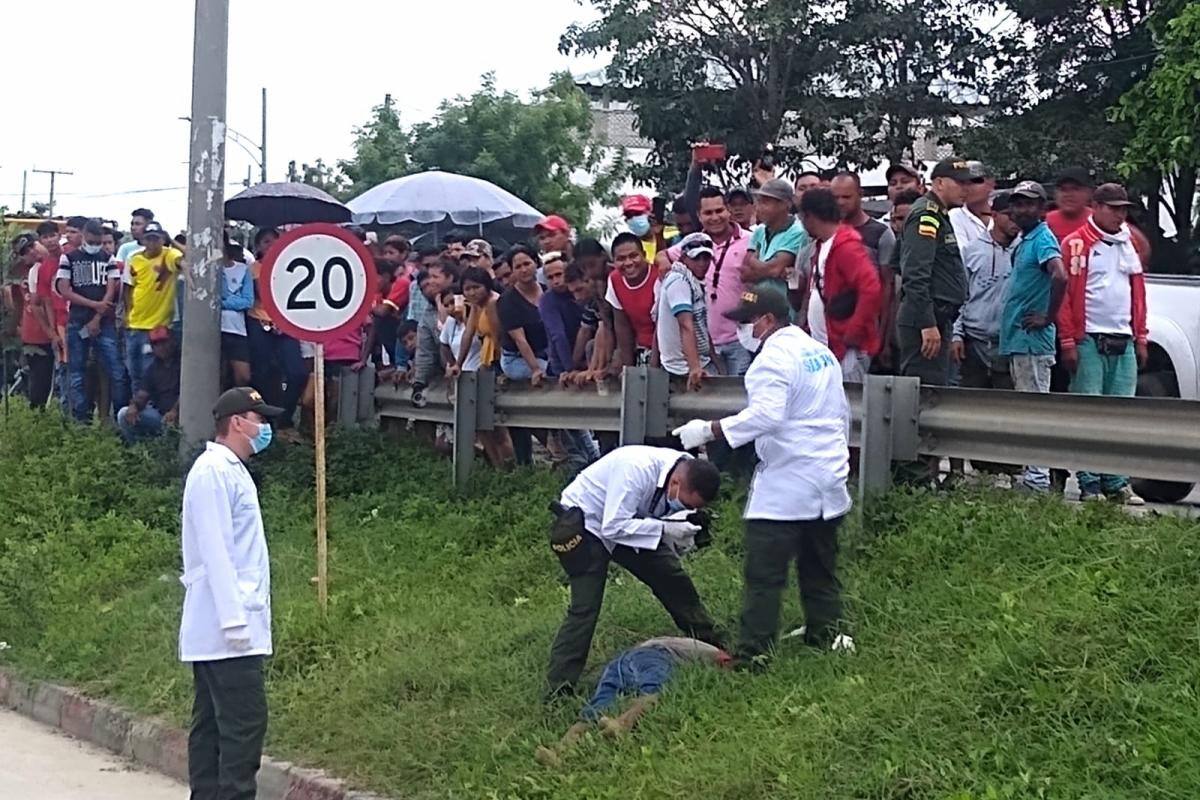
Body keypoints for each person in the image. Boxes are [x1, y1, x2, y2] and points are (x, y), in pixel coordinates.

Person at [673, 287, 855, 662]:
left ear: (769, 320)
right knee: (819, 566)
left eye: (747, 321)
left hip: (788, 483)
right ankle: (826, 632)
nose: (742, 330)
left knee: (763, 575)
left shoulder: (770, 360)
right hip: (828, 476)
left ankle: (754, 654)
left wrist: (708, 430)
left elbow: (766, 416)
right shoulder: (819, 352)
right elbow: (841, 413)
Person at [545, 446, 724, 697]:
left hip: (630, 521)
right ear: (675, 483)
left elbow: (651, 516)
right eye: (684, 504)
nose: (682, 507)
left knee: (672, 577)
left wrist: (680, 531)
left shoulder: (685, 470)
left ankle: (711, 644)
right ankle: (558, 690)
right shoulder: (635, 471)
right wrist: (664, 530)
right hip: (588, 523)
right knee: (585, 608)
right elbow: (613, 526)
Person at [180, 387, 282, 800]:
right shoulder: (213, 472)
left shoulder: (231, 470)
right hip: (228, 630)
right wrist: (235, 622)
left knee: (213, 725)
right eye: (259, 420)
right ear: (237, 422)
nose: (265, 428)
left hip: (226, 627)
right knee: (244, 723)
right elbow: (216, 551)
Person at [1057, 183, 1149, 505]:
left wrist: (1141, 336)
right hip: (1090, 338)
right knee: (1090, 413)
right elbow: (1065, 296)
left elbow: (1138, 294)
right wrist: (1068, 340)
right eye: (1113, 208)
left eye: (1123, 209)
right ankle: (1090, 481)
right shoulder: (1076, 244)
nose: (1119, 215)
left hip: (1123, 337)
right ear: (1096, 207)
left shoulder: (1129, 243)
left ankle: (1117, 481)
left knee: (1120, 415)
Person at [536, 636, 732, 767]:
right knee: (655, 689)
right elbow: (726, 661)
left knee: (600, 702)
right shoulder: (701, 647)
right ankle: (622, 723)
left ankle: (562, 748)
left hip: (618, 662)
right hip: (654, 656)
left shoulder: (662, 641)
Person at [1000, 181, 1068, 493]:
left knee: (1033, 410)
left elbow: (1060, 275)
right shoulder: (1025, 240)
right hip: (1019, 339)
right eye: (1017, 203)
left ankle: (1037, 480)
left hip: (1032, 341)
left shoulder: (1042, 238)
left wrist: (1048, 317)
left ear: (1042, 208)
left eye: (1029, 204)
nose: (1021, 210)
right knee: (1025, 408)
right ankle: (1033, 475)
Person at [655, 187, 753, 376]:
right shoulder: (694, 244)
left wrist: (748, 302)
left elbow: (757, 287)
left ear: (728, 210)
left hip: (739, 340)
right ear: (699, 216)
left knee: (740, 393)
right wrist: (664, 262)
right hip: (704, 346)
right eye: (708, 213)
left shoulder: (750, 240)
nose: (715, 217)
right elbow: (661, 255)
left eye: (719, 210)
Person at [896, 158, 971, 386]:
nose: (965, 189)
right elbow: (915, 275)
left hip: (938, 317)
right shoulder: (926, 215)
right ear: (939, 183)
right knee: (924, 390)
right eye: (959, 183)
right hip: (926, 319)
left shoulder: (939, 214)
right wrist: (927, 324)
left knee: (934, 387)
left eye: (967, 184)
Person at [798, 188, 882, 382]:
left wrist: (853, 331)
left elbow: (871, 288)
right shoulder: (825, 245)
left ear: (809, 216)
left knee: (847, 397)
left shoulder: (845, 247)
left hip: (845, 348)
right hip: (830, 345)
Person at [57, 219, 128, 422]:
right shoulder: (69, 258)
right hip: (77, 320)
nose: (95, 245)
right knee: (76, 374)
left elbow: (111, 289)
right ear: (83, 237)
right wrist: (94, 305)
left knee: (117, 372)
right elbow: (64, 290)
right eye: (91, 241)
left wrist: (97, 316)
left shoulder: (108, 258)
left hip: (103, 323)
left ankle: (121, 419)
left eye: (98, 242)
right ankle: (80, 421)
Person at [951, 190, 1019, 393]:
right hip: (973, 342)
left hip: (1009, 343)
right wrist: (956, 334)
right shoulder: (972, 250)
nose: (1014, 219)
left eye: (1018, 214)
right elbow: (960, 296)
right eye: (1009, 214)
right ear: (994, 215)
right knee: (970, 403)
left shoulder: (1025, 250)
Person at [245, 227, 307, 440]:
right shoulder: (254, 268)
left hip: (287, 324)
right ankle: (267, 421)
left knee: (298, 373)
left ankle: (284, 418)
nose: (271, 245)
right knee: (262, 374)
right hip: (260, 321)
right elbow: (265, 294)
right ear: (258, 247)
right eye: (266, 242)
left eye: (274, 240)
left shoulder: (291, 266)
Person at [123, 221, 181, 395]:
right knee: (134, 372)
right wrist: (127, 315)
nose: (152, 243)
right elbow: (128, 288)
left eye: (156, 239)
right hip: (134, 325)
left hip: (156, 326)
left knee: (149, 372)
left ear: (162, 239)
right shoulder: (134, 258)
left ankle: (150, 407)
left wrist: (172, 241)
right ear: (143, 240)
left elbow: (188, 259)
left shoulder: (169, 255)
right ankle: (137, 406)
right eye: (149, 239)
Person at [652, 233, 716, 390]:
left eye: (706, 258)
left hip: (698, 361)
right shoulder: (679, 281)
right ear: (684, 258)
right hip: (682, 368)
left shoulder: (694, 282)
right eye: (696, 258)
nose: (702, 263)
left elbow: (700, 325)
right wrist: (694, 367)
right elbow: (686, 325)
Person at [744, 177, 808, 301]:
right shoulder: (759, 230)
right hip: (758, 303)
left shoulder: (797, 231)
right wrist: (769, 269)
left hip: (784, 307)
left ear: (785, 204)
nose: (758, 207)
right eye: (759, 202)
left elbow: (774, 269)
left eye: (765, 202)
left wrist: (753, 261)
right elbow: (744, 274)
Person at [19, 222, 60, 408]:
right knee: (40, 384)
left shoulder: (64, 259)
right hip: (38, 335)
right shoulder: (35, 271)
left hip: (61, 328)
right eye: (25, 252)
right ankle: (38, 417)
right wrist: (51, 332)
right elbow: (38, 304)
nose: (32, 252)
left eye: (32, 246)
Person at [117, 326, 179, 442]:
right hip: (160, 416)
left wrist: (175, 411)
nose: (161, 347)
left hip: (181, 416)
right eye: (156, 344)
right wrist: (134, 406)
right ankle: (139, 449)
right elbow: (142, 395)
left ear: (173, 341)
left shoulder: (183, 363)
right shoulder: (153, 368)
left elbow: (189, 394)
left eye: (164, 342)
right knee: (123, 414)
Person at [606, 232, 659, 368]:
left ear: (644, 255)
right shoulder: (614, 280)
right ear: (613, 262)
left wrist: (653, 366)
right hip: (641, 349)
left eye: (633, 256)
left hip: (665, 348)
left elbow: (663, 325)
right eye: (621, 259)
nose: (628, 263)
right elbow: (622, 326)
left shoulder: (659, 277)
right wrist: (628, 367)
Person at [410, 259, 458, 408]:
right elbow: (425, 351)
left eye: (435, 277)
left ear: (450, 278)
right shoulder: (428, 315)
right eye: (429, 277)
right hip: (451, 374)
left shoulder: (466, 300)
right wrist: (419, 382)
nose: (431, 282)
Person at [498, 245, 549, 384]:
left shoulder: (547, 291)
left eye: (527, 264)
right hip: (517, 358)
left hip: (545, 351)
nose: (524, 270)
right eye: (518, 267)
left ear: (536, 263)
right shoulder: (507, 301)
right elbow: (520, 340)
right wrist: (535, 369)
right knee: (551, 371)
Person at [540, 252, 587, 376]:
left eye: (559, 275)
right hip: (562, 365)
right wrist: (570, 369)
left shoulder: (582, 289)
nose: (556, 281)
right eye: (550, 278)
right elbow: (558, 335)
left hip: (588, 357)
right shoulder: (547, 301)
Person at [220, 241, 254, 387]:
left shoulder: (243, 270)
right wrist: (233, 300)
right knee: (219, 374)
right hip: (216, 328)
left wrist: (224, 303)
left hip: (237, 329)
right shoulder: (208, 270)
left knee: (243, 376)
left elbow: (247, 301)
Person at [948, 161, 995, 253]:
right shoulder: (954, 216)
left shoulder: (1004, 212)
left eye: (974, 181)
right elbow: (964, 254)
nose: (966, 188)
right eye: (962, 183)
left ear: (991, 183)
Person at [1046, 167, 1093, 242]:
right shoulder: (1046, 222)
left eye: (1075, 189)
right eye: (1063, 189)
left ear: (1089, 192)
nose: (1068, 195)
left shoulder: (1098, 221)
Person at [621, 194, 665, 263]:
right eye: (629, 216)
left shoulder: (673, 232)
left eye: (637, 213)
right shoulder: (630, 248)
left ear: (650, 214)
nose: (633, 218)